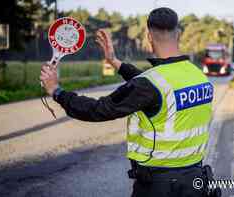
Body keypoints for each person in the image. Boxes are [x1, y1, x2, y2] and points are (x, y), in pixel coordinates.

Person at [40, 7, 216, 197]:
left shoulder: (150, 84)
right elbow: (155, 87)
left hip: (160, 187)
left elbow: (98, 110)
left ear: (149, 37)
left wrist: (56, 91)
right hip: (196, 183)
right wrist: (115, 62)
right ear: (179, 34)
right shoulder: (198, 76)